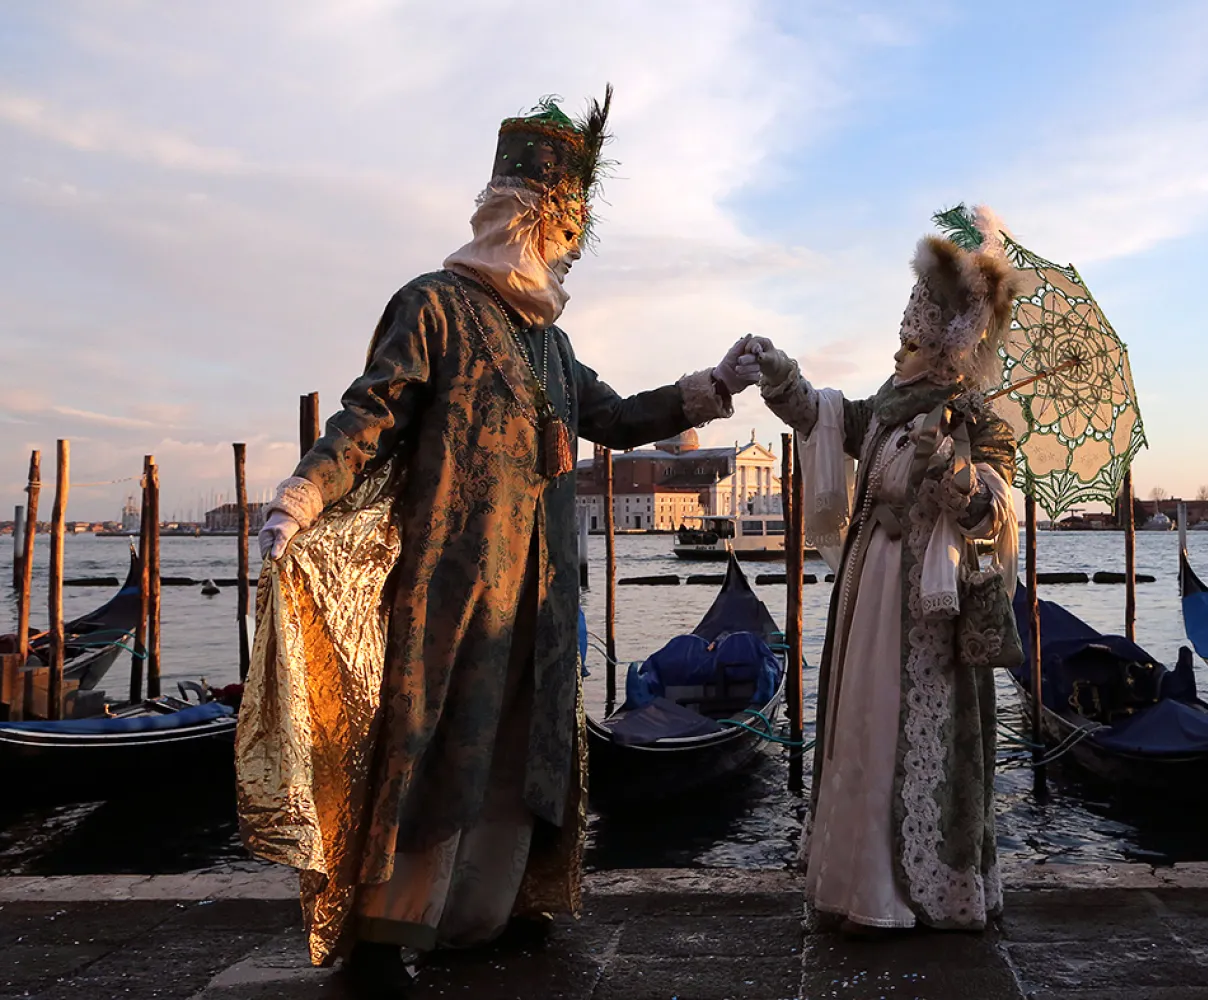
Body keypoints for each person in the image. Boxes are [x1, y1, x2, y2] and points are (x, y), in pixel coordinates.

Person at [235, 89, 762, 999]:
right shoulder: (433, 306)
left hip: (542, 599)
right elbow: (374, 412)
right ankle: (382, 933)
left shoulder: (550, 343)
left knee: (527, 753)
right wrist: (303, 492)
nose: (566, 253)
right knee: (437, 746)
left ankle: (501, 908)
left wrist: (714, 384)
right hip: (456, 589)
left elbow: (622, 417)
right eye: (562, 235)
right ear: (528, 222)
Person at [751, 208, 1024, 934]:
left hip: (927, 613)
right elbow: (826, 418)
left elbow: (997, 521)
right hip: (869, 590)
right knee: (863, 727)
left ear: (951, 335)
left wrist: (957, 476)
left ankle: (912, 894)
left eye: (920, 327)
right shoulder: (894, 400)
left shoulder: (979, 416)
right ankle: (859, 886)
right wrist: (782, 377)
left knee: (908, 732)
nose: (907, 338)